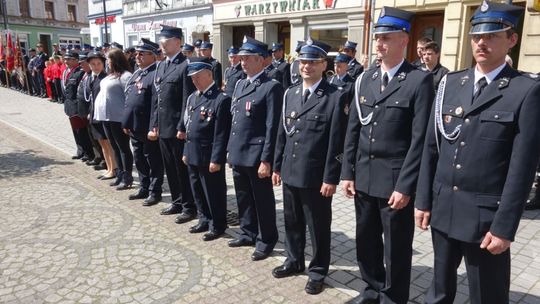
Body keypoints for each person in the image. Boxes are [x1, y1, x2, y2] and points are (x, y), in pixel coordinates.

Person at [415, 2, 540, 303]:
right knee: (439, 292)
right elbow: (432, 147)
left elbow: (522, 168)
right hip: (444, 209)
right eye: (477, 35)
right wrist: (423, 200)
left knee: (487, 296)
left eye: (493, 35)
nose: (482, 42)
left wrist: (504, 227)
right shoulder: (450, 83)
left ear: (513, 39)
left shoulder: (525, 90)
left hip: (486, 220)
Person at [341, 6, 434, 304]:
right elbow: (353, 130)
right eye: (378, 38)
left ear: (404, 40)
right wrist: (347, 172)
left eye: (387, 38)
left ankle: (393, 297)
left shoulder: (419, 81)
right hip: (364, 179)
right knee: (365, 241)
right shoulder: (365, 80)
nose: (380, 44)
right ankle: (371, 289)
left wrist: (406, 186)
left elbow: (419, 140)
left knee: (396, 247)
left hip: (395, 183)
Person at [272, 37, 348, 295]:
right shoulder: (290, 93)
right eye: (303, 61)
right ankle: (294, 261)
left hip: (316, 177)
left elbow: (337, 142)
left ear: (323, 64)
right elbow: (283, 133)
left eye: (313, 62)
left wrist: (331, 178)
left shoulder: (334, 97)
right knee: (292, 221)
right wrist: (277, 165)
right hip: (291, 171)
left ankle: (317, 271)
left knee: (318, 227)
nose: (306, 67)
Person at [227, 36, 282, 261]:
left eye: (248, 58)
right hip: (239, 151)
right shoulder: (240, 83)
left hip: (257, 155)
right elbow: (235, 121)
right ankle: (248, 232)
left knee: (263, 201)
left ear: (261, 61)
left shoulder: (271, 87)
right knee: (243, 197)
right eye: (241, 58)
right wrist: (230, 150)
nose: (243, 62)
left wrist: (267, 160)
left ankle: (267, 239)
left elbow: (272, 127)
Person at [149, 25, 197, 224]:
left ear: (177, 42)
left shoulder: (186, 65)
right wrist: (154, 124)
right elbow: (156, 98)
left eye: (165, 40)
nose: (162, 43)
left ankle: (188, 206)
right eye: (161, 40)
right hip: (162, 127)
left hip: (177, 129)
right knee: (170, 168)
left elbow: (187, 100)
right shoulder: (161, 65)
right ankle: (177, 201)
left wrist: (182, 127)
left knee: (181, 170)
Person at [181, 57, 232, 241]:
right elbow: (189, 127)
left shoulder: (220, 99)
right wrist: (186, 152)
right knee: (197, 190)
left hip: (208, 155)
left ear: (209, 75)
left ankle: (217, 224)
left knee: (213, 192)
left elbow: (221, 134)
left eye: (198, 77)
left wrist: (216, 159)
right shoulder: (193, 97)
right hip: (193, 152)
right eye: (192, 78)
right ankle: (204, 218)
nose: (194, 81)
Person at [121, 38, 164, 206]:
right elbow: (129, 100)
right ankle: (144, 187)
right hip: (134, 125)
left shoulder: (155, 74)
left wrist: (154, 127)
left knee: (152, 160)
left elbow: (156, 104)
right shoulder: (137, 72)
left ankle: (155, 191)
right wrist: (126, 122)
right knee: (139, 159)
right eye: (136, 54)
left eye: (141, 54)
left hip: (147, 127)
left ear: (153, 56)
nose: (137, 57)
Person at [94, 49, 134, 190]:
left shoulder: (126, 76)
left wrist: (128, 119)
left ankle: (127, 176)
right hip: (106, 117)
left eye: (108, 59)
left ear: (115, 60)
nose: (107, 62)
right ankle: (119, 173)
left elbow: (130, 98)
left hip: (119, 118)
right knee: (114, 147)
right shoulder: (110, 76)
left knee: (123, 147)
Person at [86, 51, 117, 180]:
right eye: (93, 64)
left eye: (99, 63)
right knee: (102, 144)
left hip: (103, 115)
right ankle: (109, 168)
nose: (96, 66)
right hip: (94, 115)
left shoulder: (105, 78)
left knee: (108, 143)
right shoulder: (90, 77)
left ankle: (114, 168)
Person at [62, 50, 95, 164]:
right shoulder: (68, 71)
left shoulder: (80, 72)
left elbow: (80, 91)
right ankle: (80, 150)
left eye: (69, 59)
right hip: (70, 106)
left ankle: (88, 152)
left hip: (77, 107)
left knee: (82, 131)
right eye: (65, 59)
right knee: (76, 131)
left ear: (76, 60)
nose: (66, 61)